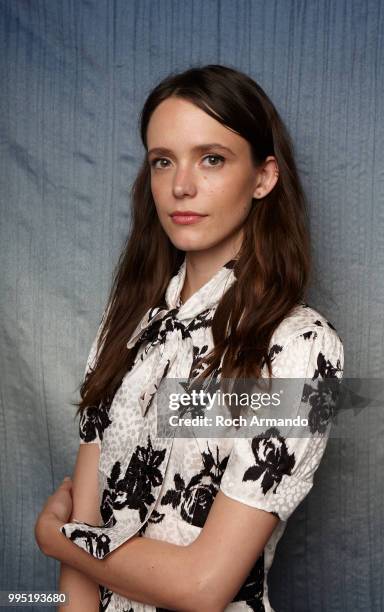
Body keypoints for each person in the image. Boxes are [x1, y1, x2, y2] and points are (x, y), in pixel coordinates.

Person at [34, 64, 344, 612]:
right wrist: (74, 552)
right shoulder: (124, 321)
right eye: (163, 161)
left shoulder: (304, 348)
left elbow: (204, 586)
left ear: (264, 177)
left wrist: (55, 538)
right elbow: (85, 527)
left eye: (212, 159)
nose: (181, 185)